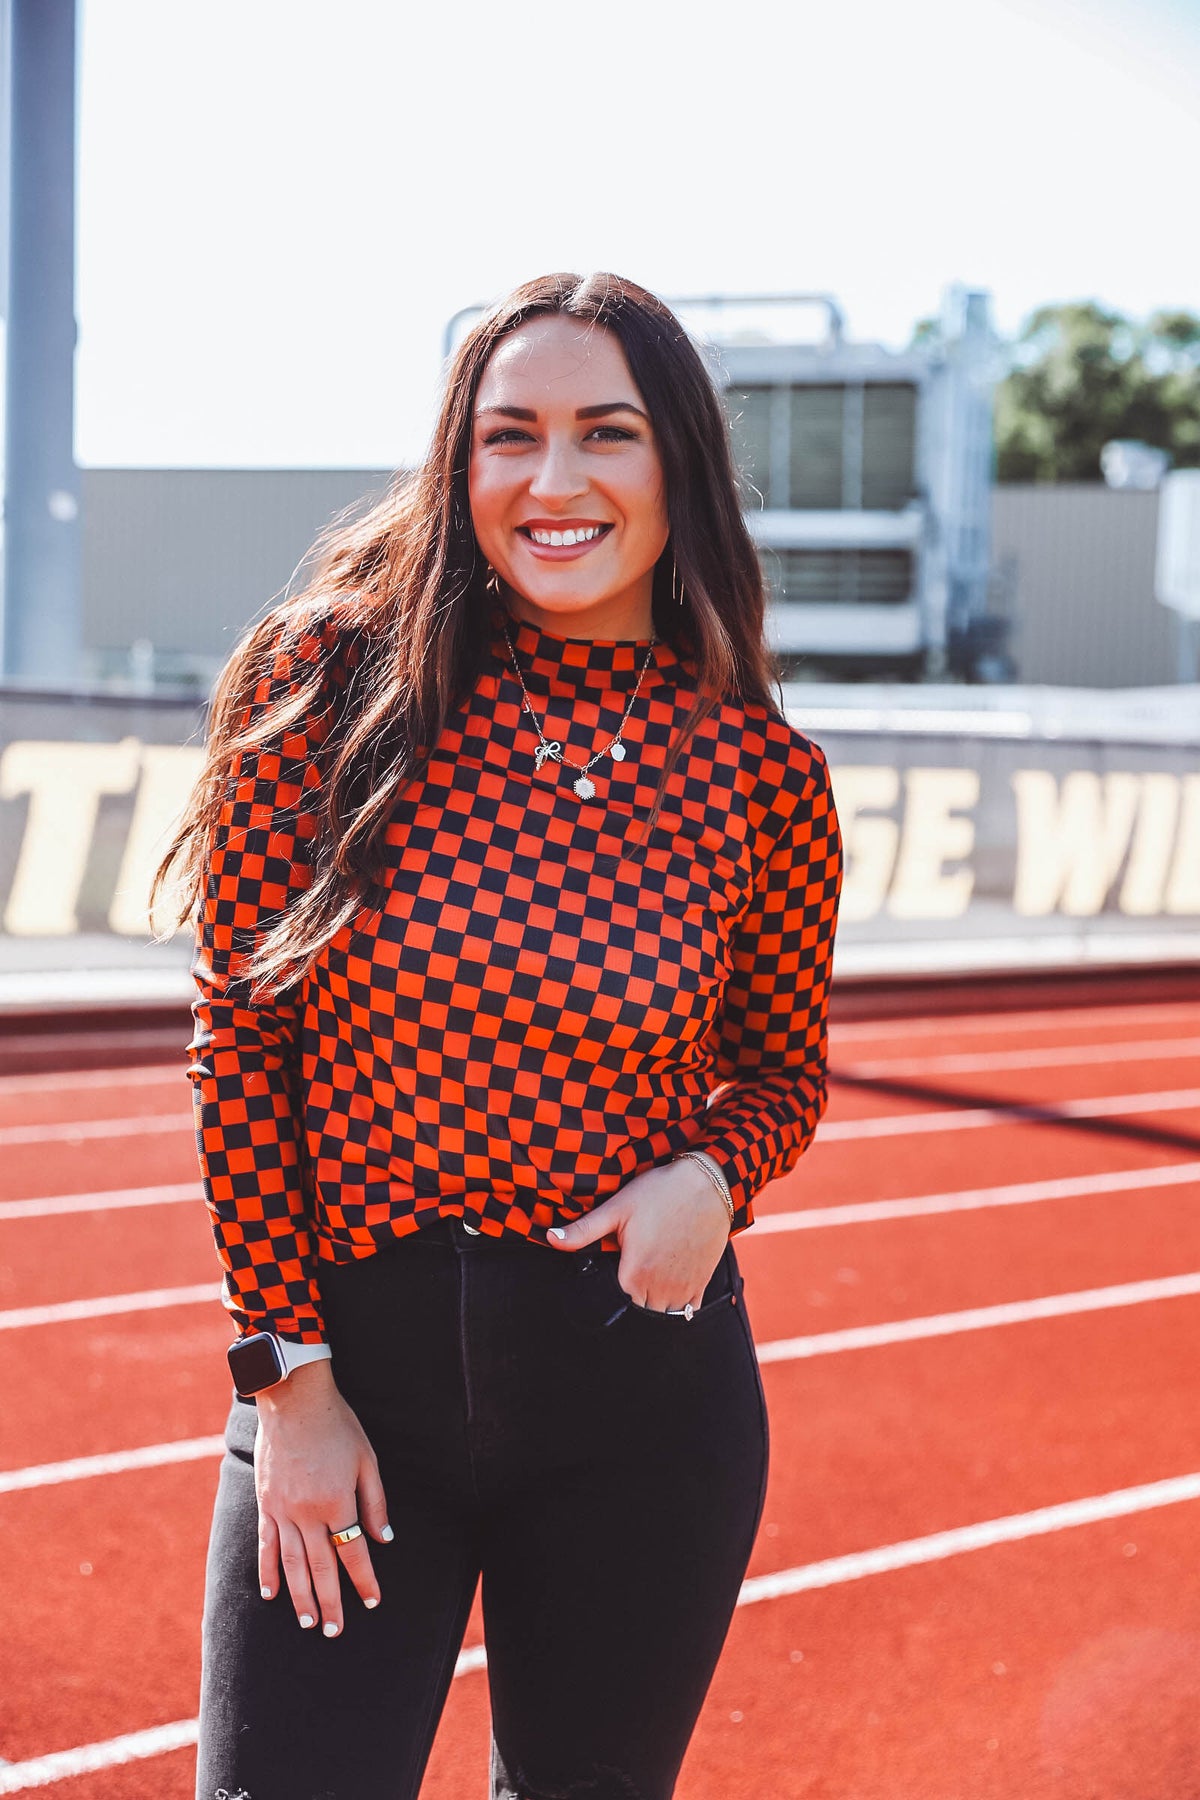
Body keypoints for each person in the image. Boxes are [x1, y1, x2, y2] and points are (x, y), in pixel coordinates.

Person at [156, 270, 843, 1800]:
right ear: (457, 465)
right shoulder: (330, 681)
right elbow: (242, 1043)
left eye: (607, 434)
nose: (554, 481)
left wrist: (713, 1179)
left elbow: (783, 1074)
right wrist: (290, 1392)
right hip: (353, 1393)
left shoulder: (761, 771)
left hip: (639, 1401)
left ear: (676, 468)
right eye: (508, 435)